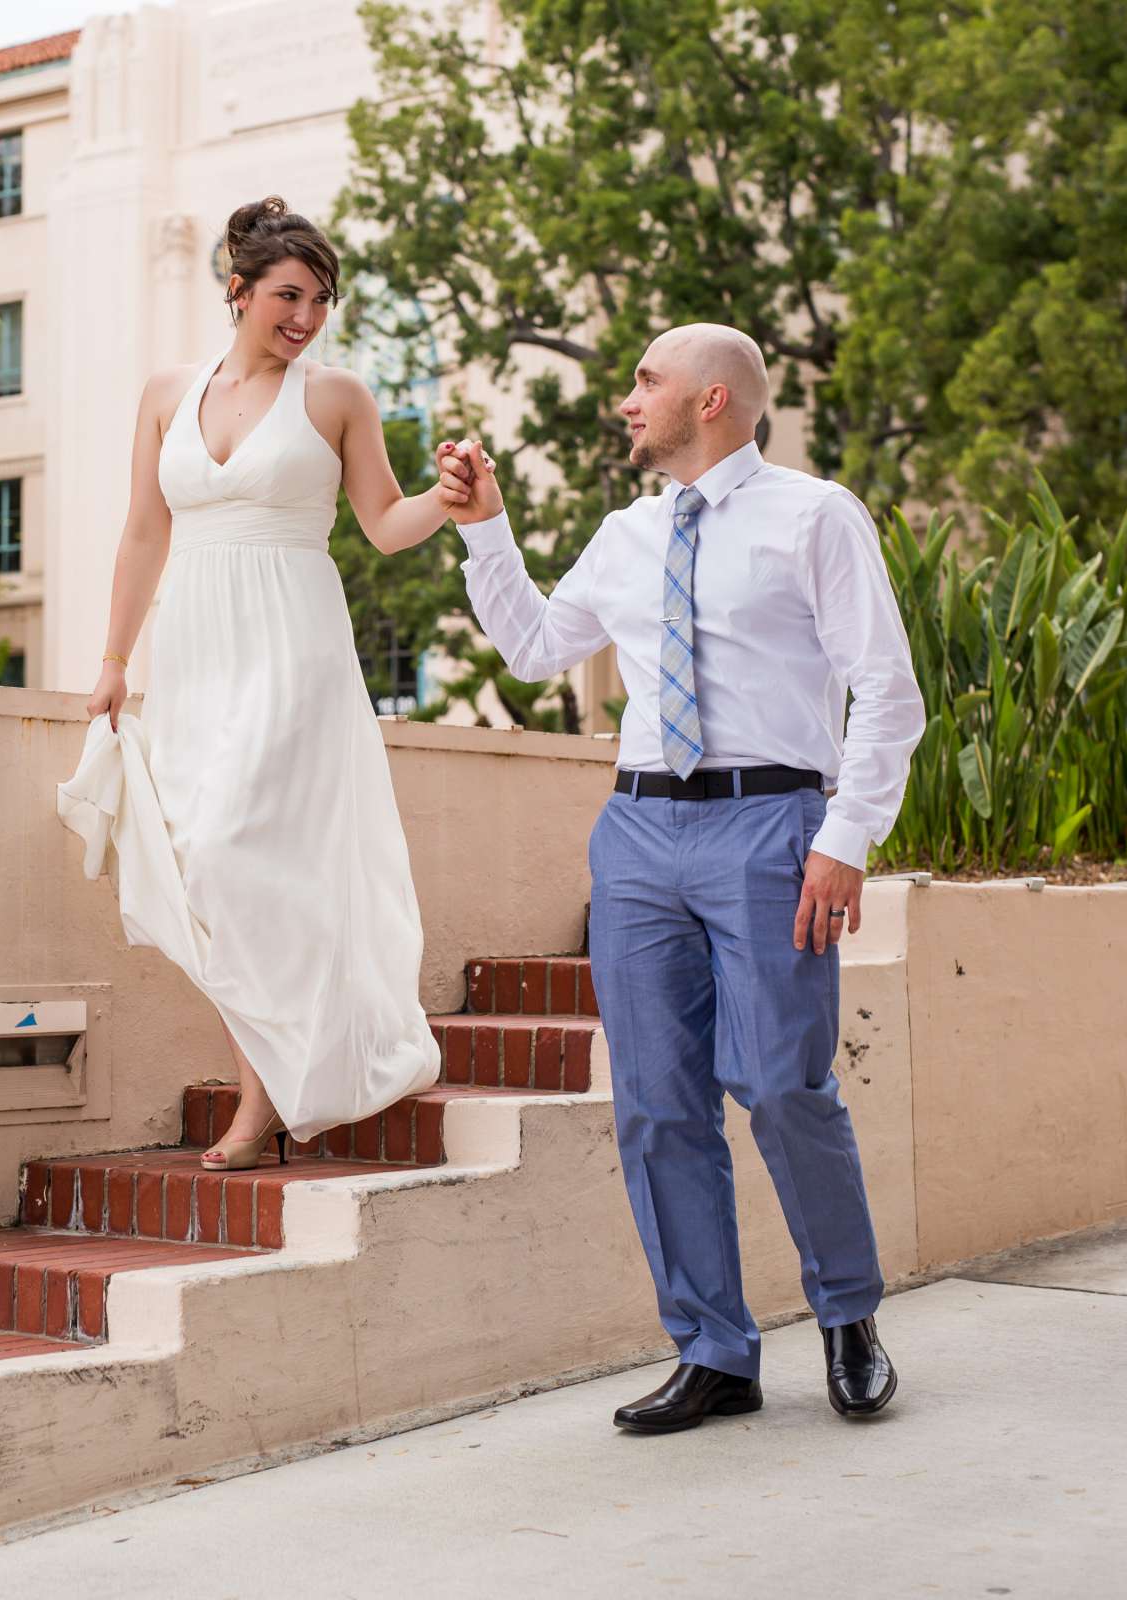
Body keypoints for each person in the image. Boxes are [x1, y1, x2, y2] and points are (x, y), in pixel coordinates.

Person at [432, 323, 925, 1427]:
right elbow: (534, 646)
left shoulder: (814, 516)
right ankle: (715, 1351)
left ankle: (848, 1314)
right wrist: (486, 532)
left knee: (785, 1082)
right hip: (641, 835)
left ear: (713, 399)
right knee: (658, 1103)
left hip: (772, 824)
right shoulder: (627, 532)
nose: (627, 399)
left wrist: (846, 836)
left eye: (645, 380)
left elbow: (887, 688)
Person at [56, 197, 445, 1170]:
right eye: (288, 295)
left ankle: (270, 1089)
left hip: (294, 644)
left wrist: (453, 501)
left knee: (232, 849)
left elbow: (386, 523)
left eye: (320, 299)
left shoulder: (336, 398)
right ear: (238, 291)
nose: (306, 316)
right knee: (206, 873)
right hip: (195, 647)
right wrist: (112, 664)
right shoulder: (163, 393)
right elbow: (145, 532)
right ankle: (263, 1089)